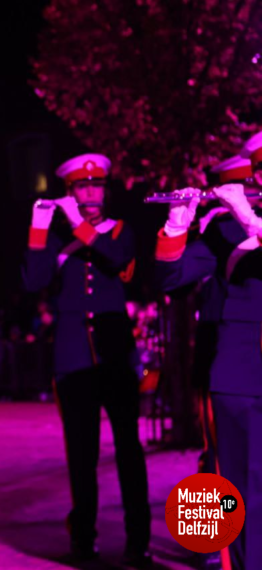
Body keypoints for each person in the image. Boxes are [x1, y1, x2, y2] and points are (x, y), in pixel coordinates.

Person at [21, 153, 151, 566]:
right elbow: (33, 281)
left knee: (129, 450)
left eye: (97, 187)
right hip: (74, 355)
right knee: (81, 454)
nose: (92, 194)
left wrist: (77, 225)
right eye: (83, 188)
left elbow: (115, 259)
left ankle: (138, 542)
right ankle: (83, 540)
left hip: (115, 352)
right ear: (70, 192)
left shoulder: (121, 231)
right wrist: (40, 228)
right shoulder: (59, 239)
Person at [153, 141, 262, 570]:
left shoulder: (243, 219)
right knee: (242, 488)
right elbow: (172, 278)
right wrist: (177, 224)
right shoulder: (224, 227)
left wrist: (250, 218)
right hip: (238, 374)